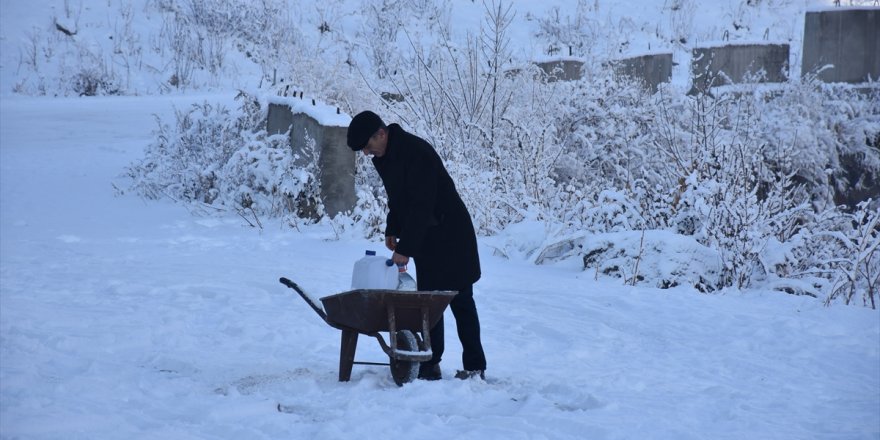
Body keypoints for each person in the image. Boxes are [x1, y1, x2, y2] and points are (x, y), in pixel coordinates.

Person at [347, 110, 487, 381]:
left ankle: (474, 366)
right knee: (428, 304)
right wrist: (392, 227)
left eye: (367, 146)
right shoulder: (385, 156)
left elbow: (423, 205)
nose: (366, 153)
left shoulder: (416, 152)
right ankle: (429, 363)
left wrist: (405, 248)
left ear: (381, 133)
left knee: (461, 301)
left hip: (451, 233)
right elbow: (399, 198)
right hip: (428, 237)